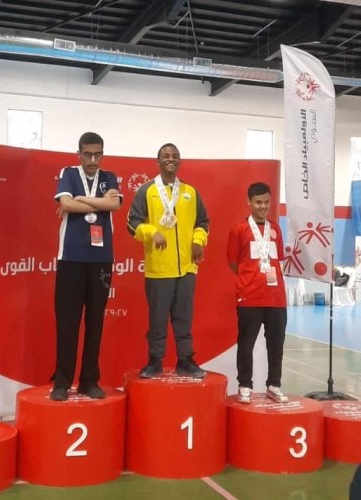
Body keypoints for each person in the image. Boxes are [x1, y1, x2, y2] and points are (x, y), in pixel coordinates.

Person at [127, 143, 209, 378]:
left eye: (174, 156)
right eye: (166, 156)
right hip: (158, 269)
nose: (170, 159)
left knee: (184, 318)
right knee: (158, 320)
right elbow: (132, 222)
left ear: (180, 161)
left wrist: (198, 241)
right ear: (158, 161)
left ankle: (185, 360)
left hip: (186, 268)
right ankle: (155, 361)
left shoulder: (190, 192)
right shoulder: (146, 191)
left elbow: (202, 222)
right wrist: (152, 232)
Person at [50, 132, 122, 401]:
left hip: (101, 260)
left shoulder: (109, 177)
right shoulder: (68, 173)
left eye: (98, 154)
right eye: (88, 154)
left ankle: (89, 381)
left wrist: (79, 200)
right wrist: (93, 203)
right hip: (70, 257)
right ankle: (62, 381)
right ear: (79, 154)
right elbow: (65, 203)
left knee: (95, 322)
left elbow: (114, 204)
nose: (93, 160)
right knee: (67, 322)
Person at [227, 182, 288, 404]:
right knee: (246, 344)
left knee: (276, 344)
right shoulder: (239, 230)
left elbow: (279, 260)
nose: (263, 206)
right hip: (250, 297)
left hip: (276, 299)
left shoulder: (276, 230)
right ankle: (245, 385)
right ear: (249, 202)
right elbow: (233, 263)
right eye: (258, 202)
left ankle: (274, 384)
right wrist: (250, 278)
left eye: (266, 202)